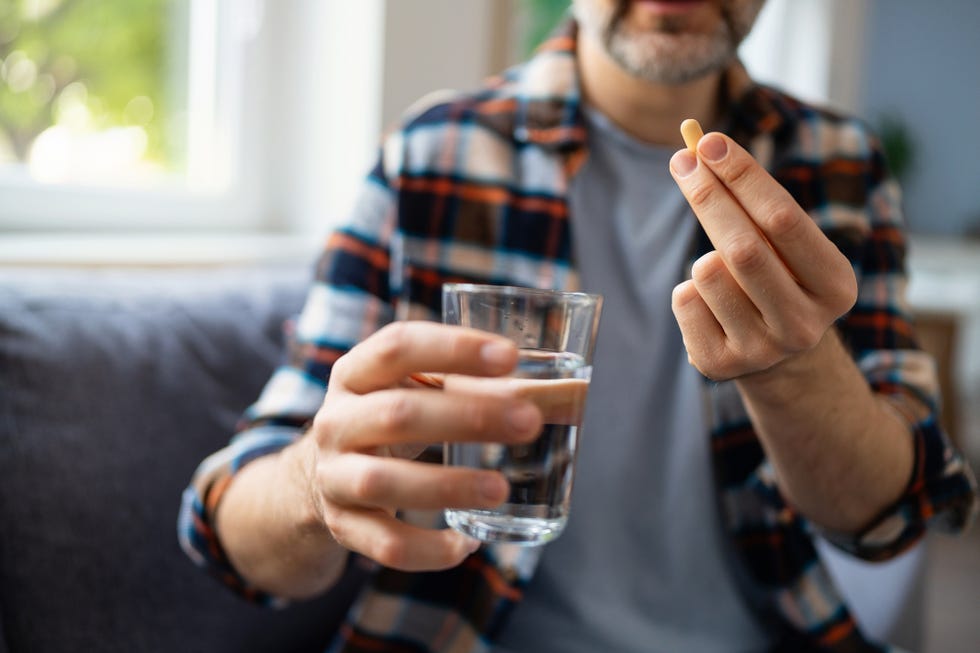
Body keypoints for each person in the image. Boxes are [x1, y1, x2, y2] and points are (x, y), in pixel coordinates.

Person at [178, 1, 978, 651]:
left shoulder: (841, 164)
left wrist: (795, 366)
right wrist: (314, 481)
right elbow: (228, 528)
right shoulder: (434, 155)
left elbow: (900, 511)